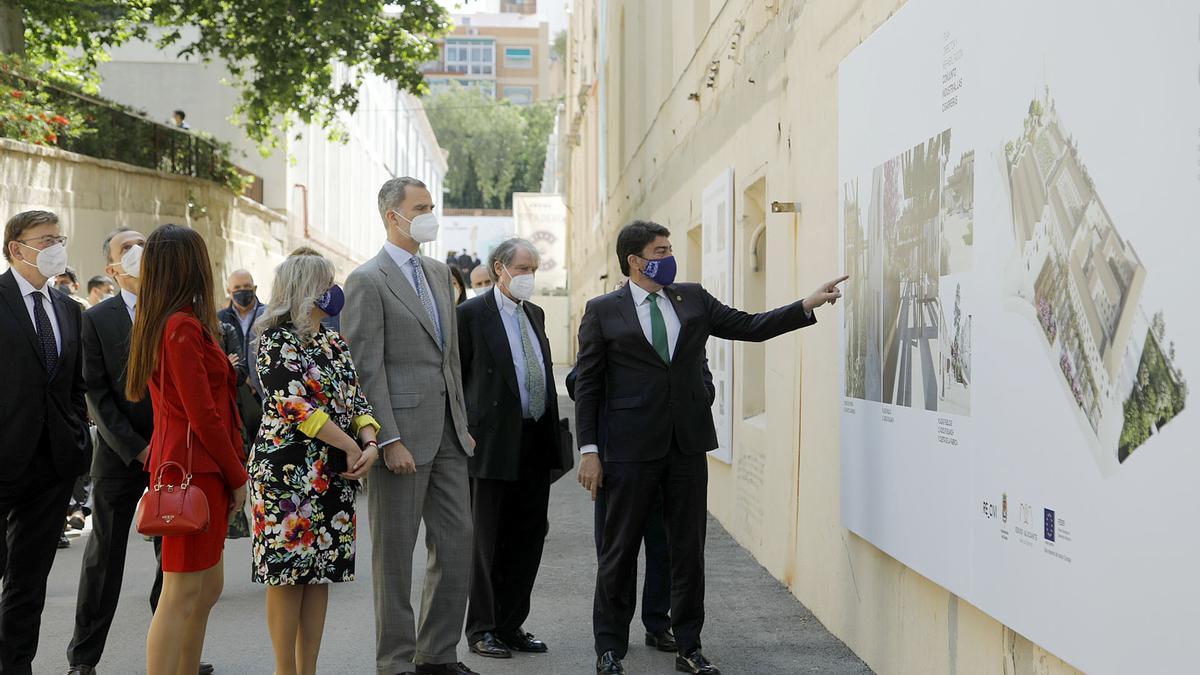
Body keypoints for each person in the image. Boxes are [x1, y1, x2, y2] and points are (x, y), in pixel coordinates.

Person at [575, 220, 847, 675]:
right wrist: (589, 450)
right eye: (660, 251)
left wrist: (805, 304)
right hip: (628, 449)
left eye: (669, 248)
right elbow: (587, 385)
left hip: (685, 446)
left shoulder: (693, 298)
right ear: (635, 262)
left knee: (687, 549)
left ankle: (689, 646)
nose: (669, 256)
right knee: (619, 550)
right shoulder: (603, 310)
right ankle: (610, 648)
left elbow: (749, 326)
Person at [342, 176, 478, 675]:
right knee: (395, 557)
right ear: (391, 216)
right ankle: (396, 662)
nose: (429, 214)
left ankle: (437, 654)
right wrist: (387, 437)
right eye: (420, 207)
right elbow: (366, 366)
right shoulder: (367, 279)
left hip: (448, 436)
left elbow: (451, 359)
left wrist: (461, 422)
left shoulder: (441, 273)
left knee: (458, 544)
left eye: (431, 205)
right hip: (400, 438)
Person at [67, 228, 216, 675]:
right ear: (112, 268)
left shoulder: (176, 312)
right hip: (122, 456)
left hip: (174, 457)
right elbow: (95, 393)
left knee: (171, 562)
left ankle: (174, 653)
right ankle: (83, 658)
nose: (138, 253)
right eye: (126, 249)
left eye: (143, 246)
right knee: (104, 558)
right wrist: (138, 448)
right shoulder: (98, 318)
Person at [125, 223, 248, 675]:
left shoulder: (173, 321)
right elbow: (204, 416)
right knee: (180, 594)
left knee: (204, 589)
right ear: (189, 266)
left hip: (195, 466)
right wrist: (238, 475)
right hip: (194, 469)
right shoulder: (180, 326)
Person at [250, 254, 380, 675]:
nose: (333, 288)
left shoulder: (332, 340)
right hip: (287, 474)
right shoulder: (275, 338)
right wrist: (350, 447)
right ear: (305, 287)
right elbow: (294, 406)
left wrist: (369, 439)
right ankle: (285, 670)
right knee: (288, 576)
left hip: (332, 472)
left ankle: (309, 669)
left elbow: (356, 397)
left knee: (320, 572)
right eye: (326, 281)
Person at [457, 238, 570, 661]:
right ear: (500, 268)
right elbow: (458, 380)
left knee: (528, 536)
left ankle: (511, 622)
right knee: (487, 540)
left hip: (535, 440)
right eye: (522, 268)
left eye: (534, 269)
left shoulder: (535, 314)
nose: (529, 277)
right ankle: (482, 628)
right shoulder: (470, 315)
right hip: (490, 444)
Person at [564, 352, 716, 657]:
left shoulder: (682, 326)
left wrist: (682, 391)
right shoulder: (611, 320)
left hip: (672, 457)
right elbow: (576, 381)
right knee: (617, 553)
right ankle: (612, 639)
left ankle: (658, 624)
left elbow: (706, 386)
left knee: (665, 551)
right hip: (619, 459)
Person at [0, 210, 90, 675]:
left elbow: (74, 386)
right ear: (17, 248)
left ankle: (16, 667)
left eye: (60, 237)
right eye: (46, 239)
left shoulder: (68, 309)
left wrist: (75, 437)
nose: (57, 246)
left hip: (52, 465)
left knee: (28, 582)